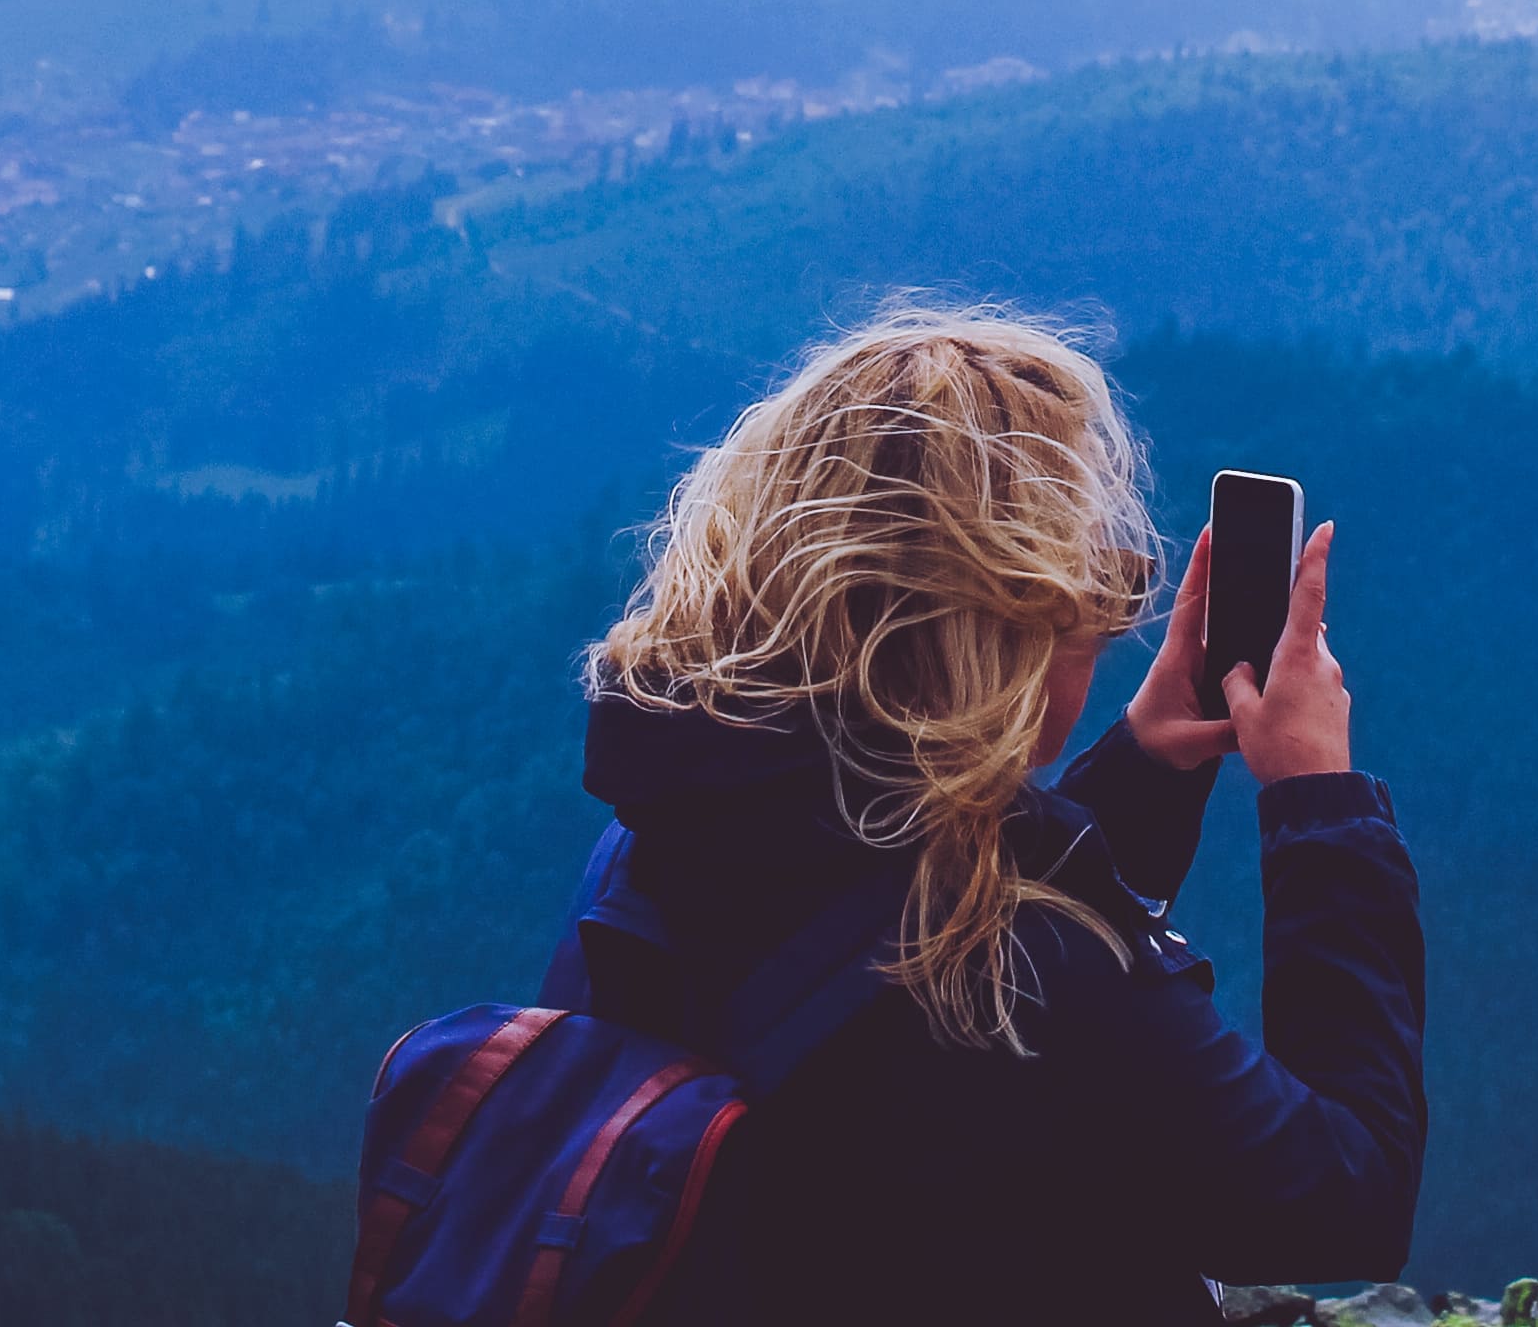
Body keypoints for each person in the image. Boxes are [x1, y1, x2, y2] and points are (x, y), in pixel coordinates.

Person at [578, 308, 1425, 1325]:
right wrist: (1318, 804)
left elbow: (883, 912)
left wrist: (1146, 765)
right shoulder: (1020, 971)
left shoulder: (663, 835)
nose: (1112, 629)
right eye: (1087, 595)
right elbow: (1344, 1197)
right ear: (994, 638)